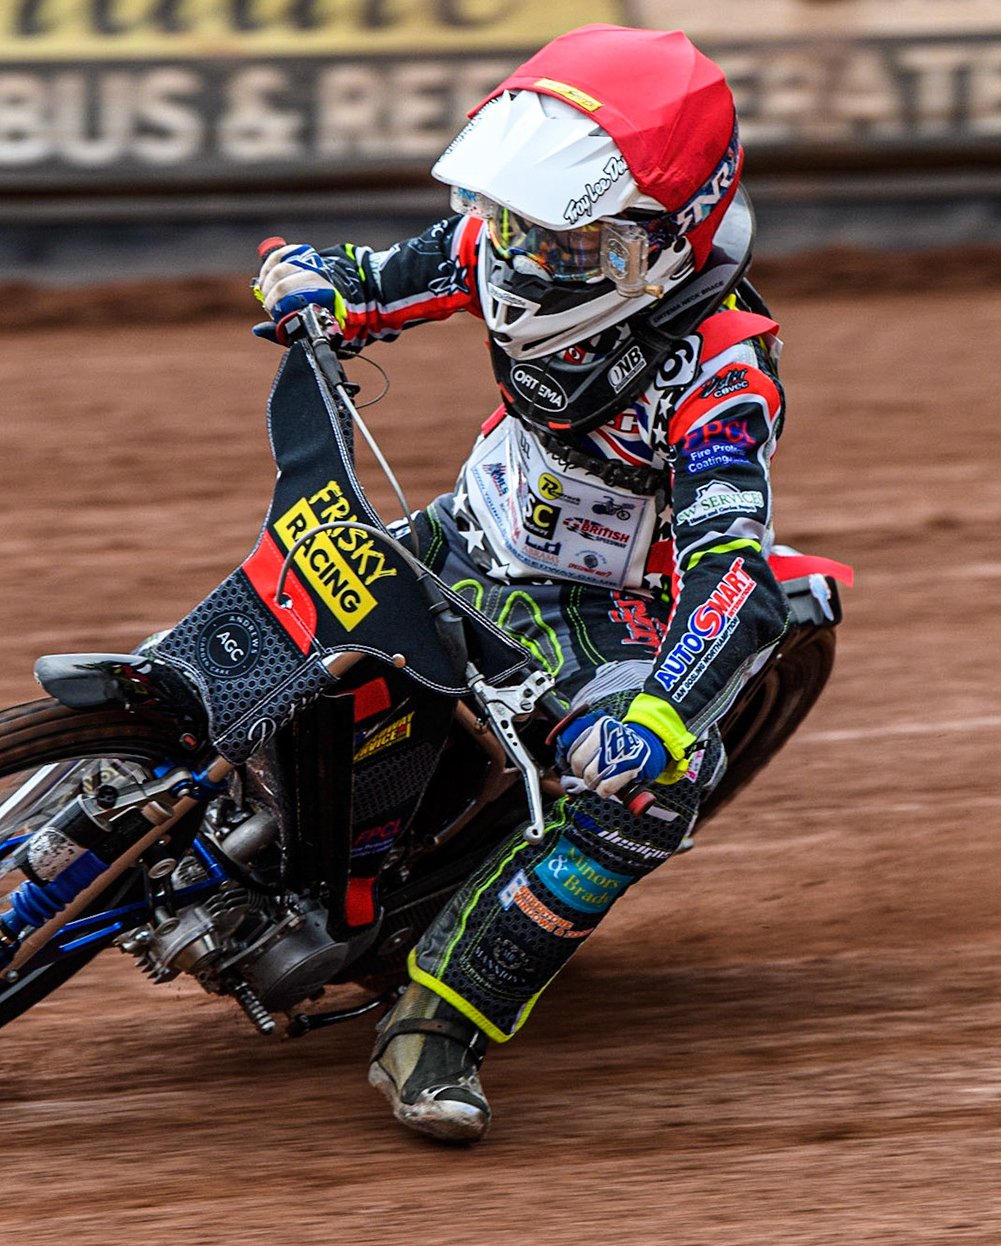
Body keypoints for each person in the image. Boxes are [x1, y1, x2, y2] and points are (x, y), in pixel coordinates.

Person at [253, 25, 793, 1143]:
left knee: (654, 789)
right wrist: (313, 280)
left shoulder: (724, 374)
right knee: (268, 615)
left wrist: (659, 711)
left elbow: (737, 576)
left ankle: (440, 1017)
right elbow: (369, 279)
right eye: (518, 228)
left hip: (597, 615)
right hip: (462, 531)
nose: (527, 262)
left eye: (574, 244)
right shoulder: (511, 245)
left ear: (665, 241)